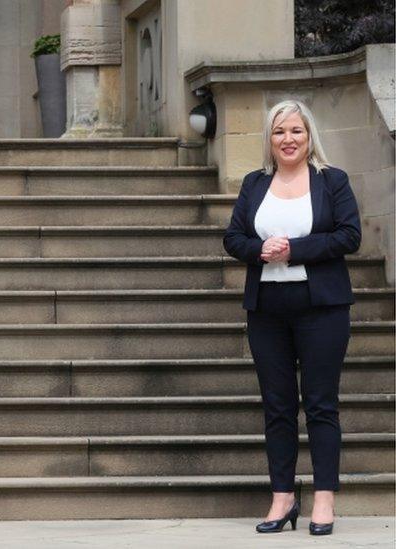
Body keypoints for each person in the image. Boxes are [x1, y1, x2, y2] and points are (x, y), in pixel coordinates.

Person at [224, 99, 361, 536]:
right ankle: (282, 497)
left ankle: (324, 499)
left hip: (322, 307)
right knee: (278, 407)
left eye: (296, 131)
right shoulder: (253, 183)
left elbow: (349, 235)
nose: (288, 139)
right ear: (270, 138)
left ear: (309, 136)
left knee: (321, 405)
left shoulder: (331, 181)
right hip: (267, 309)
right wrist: (258, 250)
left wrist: (294, 249)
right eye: (280, 131)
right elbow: (234, 237)